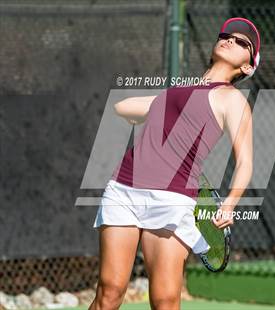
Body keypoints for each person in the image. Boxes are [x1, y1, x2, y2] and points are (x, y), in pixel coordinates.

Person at [89, 17, 261, 310]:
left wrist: (230, 204)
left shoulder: (233, 101)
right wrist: (167, 100)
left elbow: (245, 161)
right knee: (109, 292)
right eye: (226, 35)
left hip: (172, 199)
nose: (230, 39)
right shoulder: (175, 91)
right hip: (124, 190)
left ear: (247, 67)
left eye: (242, 42)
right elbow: (123, 107)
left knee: (165, 300)